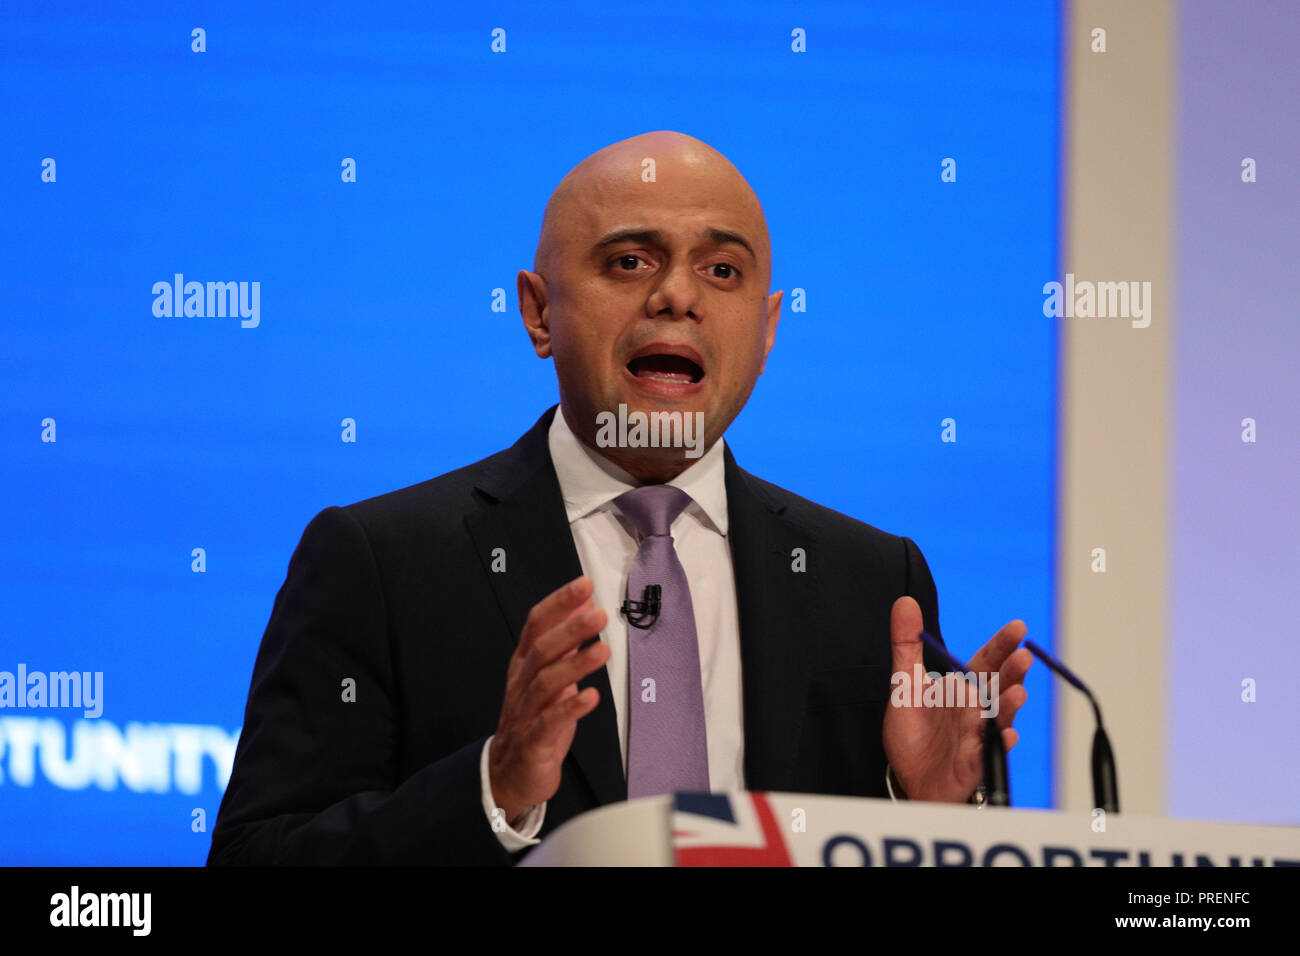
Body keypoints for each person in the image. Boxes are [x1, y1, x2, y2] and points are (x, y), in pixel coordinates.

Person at [207, 130, 1032, 866]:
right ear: (537, 313)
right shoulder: (383, 562)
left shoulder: (870, 582)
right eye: (629, 261)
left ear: (769, 327)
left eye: (722, 270)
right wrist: (493, 789)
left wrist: (924, 817)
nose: (678, 296)